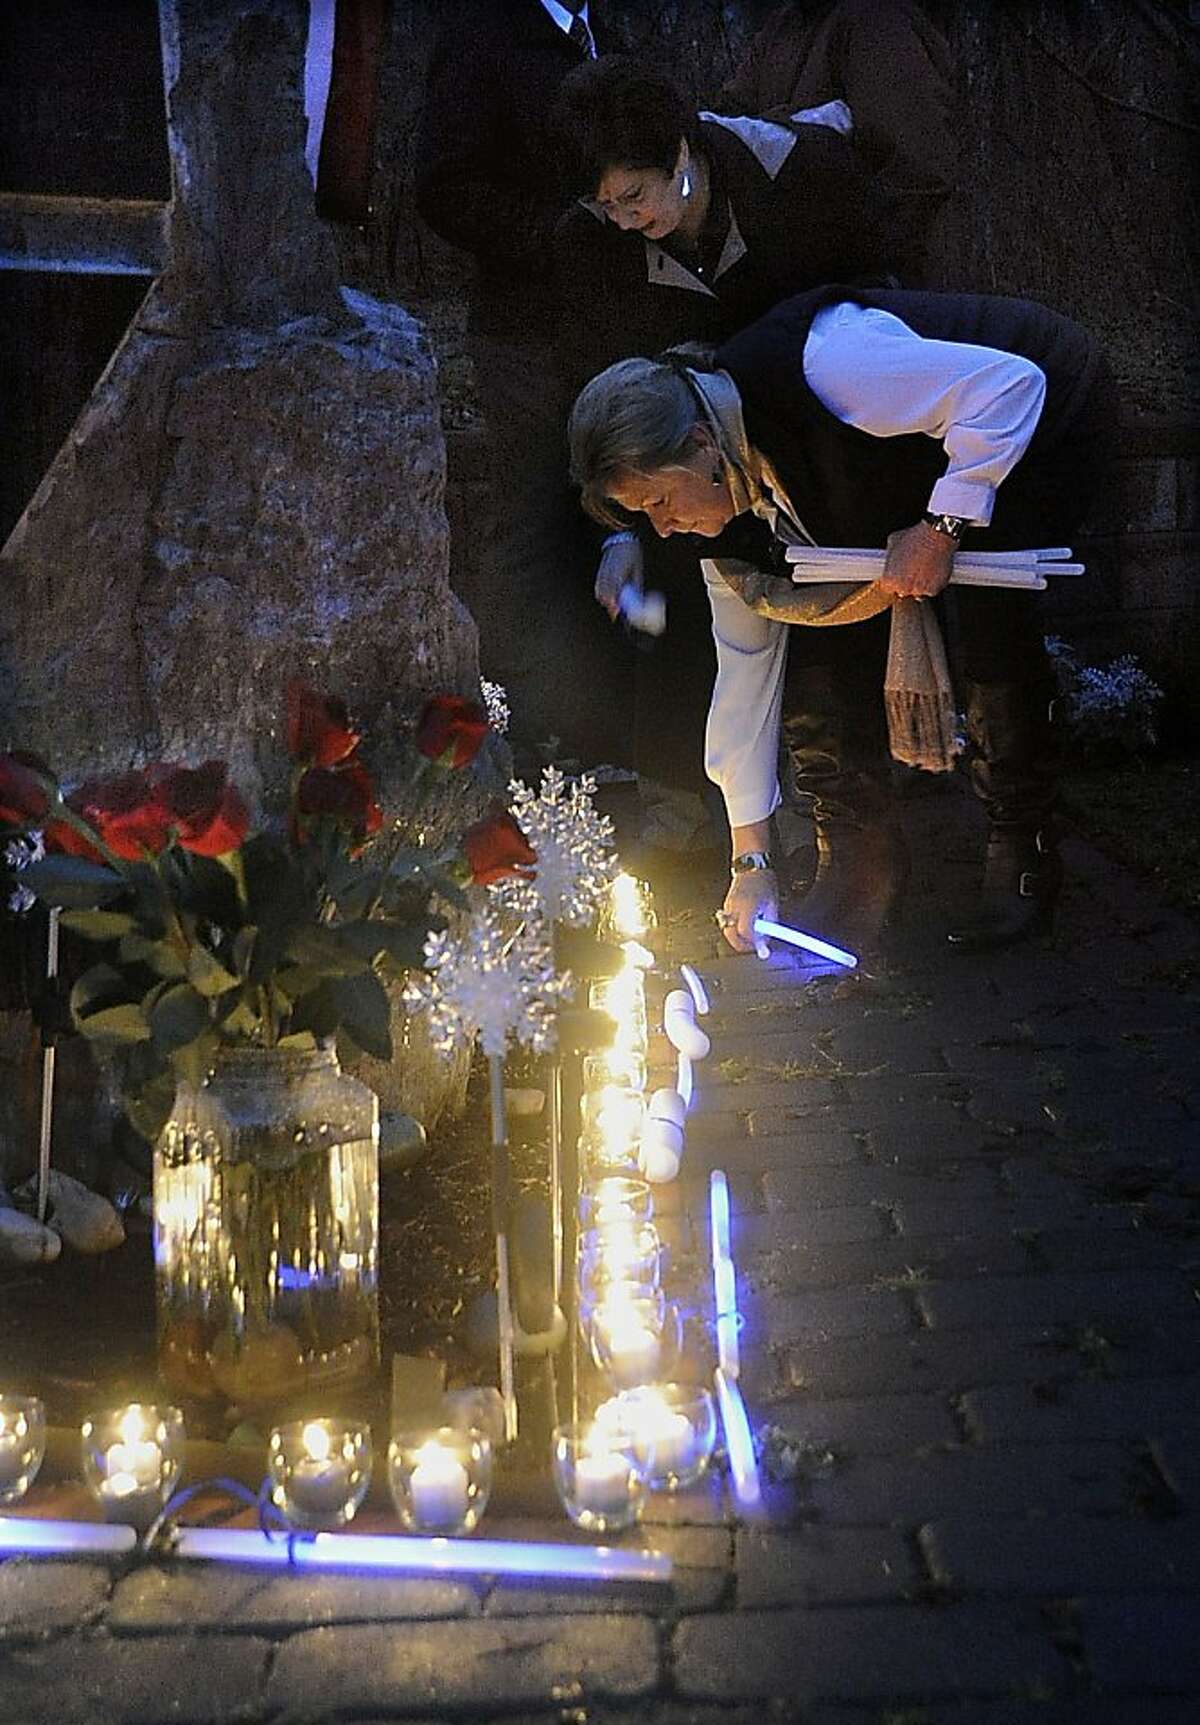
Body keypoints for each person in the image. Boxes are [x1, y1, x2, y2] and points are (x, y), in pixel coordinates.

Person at [567, 284, 1118, 956]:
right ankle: (860, 860)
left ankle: (1021, 856)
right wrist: (751, 864)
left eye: (658, 500)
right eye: (643, 515)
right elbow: (745, 677)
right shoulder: (721, 516)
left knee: (989, 620)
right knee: (819, 645)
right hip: (912, 470)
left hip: (1042, 414)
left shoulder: (829, 365)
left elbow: (1010, 386)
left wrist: (941, 526)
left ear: (703, 441)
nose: (663, 527)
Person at [551, 54, 901, 842]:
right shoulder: (597, 253)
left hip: (827, 438)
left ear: (681, 152)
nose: (623, 220)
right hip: (694, 461)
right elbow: (607, 389)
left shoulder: (799, 177)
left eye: (633, 196)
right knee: (688, 600)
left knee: (829, 625)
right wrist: (619, 528)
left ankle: (849, 832)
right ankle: (706, 822)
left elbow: (881, 303)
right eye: (603, 205)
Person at [414, 0, 635, 768]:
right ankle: (521, 727)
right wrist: (549, 238)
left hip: (612, 318)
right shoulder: (485, 32)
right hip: (524, 323)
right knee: (538, 512)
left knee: (618, 513)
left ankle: (603, 727)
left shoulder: (604, 30)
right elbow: (442, 185)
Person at [714, 0, 959, 286]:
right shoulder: (782, 27)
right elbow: (728, 129)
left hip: (868, 286)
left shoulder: (879, 19)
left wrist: (881, 276)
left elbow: (917, 167)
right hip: (796, 276)